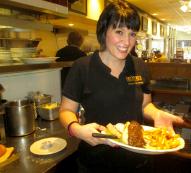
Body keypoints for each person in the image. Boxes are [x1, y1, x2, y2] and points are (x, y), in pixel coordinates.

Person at [59, 1, 184, 172]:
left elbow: (145, 104)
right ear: (104, 31)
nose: (127, 41)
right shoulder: (82, 67)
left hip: (139, 159)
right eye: (119, 31)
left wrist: (157, 114)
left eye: (132, 34)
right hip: (96, 161)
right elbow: (66, 110)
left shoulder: (140, 66)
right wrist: (76, 129)